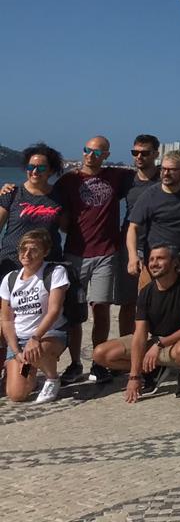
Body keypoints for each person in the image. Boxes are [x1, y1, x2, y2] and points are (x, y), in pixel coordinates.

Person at [55, 136, 134, 385]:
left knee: (101, 308)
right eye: (87, 150)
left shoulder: (117, 176)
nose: (90, 155)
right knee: (74, 312)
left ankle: (99, 364)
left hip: (106, 254)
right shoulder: (69, 180)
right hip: (75, 253)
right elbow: (46, 197)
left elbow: (150, 178)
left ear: (106, 155)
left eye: (97, 152)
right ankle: (75, 363)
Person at [94, 243, 180, 398]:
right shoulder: (146, 292)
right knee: (101, 354)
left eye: (160, 258)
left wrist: (160, 344)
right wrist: (134, 376)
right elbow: (140, 334)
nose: (154, 263)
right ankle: (151, 369)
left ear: (174, 263)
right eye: (151, 259)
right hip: (155, 341)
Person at [1, 229, 68, 403]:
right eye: (23, 249)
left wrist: (35, 337)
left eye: (34, 250)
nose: (27, 254)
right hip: (20, 340)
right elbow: (6, 319)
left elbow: (54, 310)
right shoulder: (10, 279)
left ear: (45, 252)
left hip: (48, 335)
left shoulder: (55, 272)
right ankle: (30, 372)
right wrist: (16, 350)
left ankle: (52, 378)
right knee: (16, 394)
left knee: (38, 351)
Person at [126, 150, 180, 273]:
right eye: (163, 169)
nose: (166, 173)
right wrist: (133, 257)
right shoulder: (150, 195)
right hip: (157, 263)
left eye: (172, 170)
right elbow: (133, 227)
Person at [118, 134, 163, 335]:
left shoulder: (165, 177)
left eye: (144, 153)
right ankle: (127, 343)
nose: (139, 157)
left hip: (157, 247)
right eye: (135, 152)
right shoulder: (127, 180)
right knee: (128, 302)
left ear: (155, 154)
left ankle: (153, 341)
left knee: (154, 300)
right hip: (130, 246)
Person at [0, 144, 66, 278]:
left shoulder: (60, 196)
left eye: (41, 168)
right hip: (12, 264)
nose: (35, 171)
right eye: (31, 167)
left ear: (51, 171)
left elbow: (66, 228)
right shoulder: (12, 193)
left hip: (47, 266)